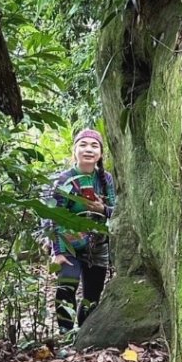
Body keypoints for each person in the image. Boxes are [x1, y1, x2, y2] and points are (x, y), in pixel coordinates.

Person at [45, 129, 116, 332]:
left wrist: (103, 209)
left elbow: (116, 211)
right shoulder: (63, 180)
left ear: (101, 154)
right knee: (67, 286)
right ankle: (65, 334)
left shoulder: (106, 179)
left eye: (94, 146)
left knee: (92, 296)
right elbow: (53, 217)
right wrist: (57, 252)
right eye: (83, 144)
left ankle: (83, 335)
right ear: (74, 150)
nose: (88, 149)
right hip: (68, 244)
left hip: (97, 246)